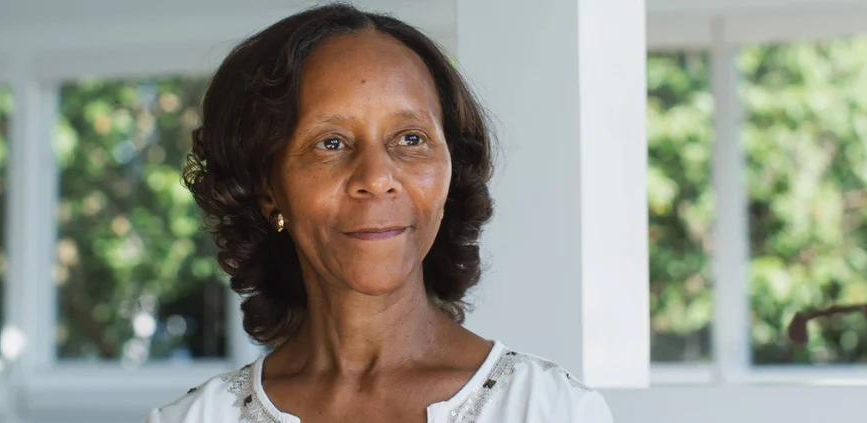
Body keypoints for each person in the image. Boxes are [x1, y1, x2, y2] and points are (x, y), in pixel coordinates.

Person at [146, 4, 613, 423]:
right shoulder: (196, 419)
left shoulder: (551, 410)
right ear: (268, 190)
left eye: (410, 138)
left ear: (451, 171)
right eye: (331, 143)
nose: (377, 176)